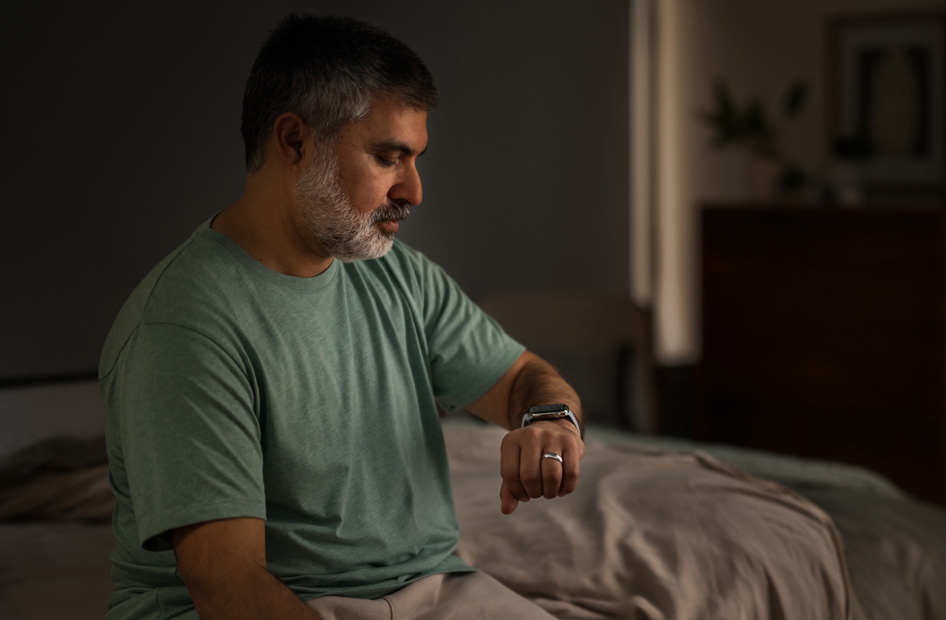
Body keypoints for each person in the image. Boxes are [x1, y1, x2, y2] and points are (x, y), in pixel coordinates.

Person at [98, 13, 583, 620]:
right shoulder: (183, 327)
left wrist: (549, 421)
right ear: (296, 142)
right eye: (388, 158)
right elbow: (229, 588)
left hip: (431, 587)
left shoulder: (399, 276)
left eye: (415, 160)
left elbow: (523, 379)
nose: (413, 190)